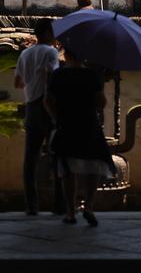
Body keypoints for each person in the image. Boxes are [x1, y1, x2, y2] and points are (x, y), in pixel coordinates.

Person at [44, 45, 116, 227]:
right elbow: (102, 102)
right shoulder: (91, 75)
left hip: (66, 125)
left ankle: (70, 211)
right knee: (94, 166)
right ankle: (89, 206)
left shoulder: (58, 75)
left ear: (66, 55)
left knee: (67, 169)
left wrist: (55, 117)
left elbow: (48, 100)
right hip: (89, 124)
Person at [14, 18, 62, 215]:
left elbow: (18, 83)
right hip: (48, 106)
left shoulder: (25, 54)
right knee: (57, 155)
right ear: (49, 34)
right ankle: (60, 206)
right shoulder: (51, 52)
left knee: (30, 158)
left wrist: (31, 81)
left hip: (31, 107)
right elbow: (53, 77)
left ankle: (31, 206)